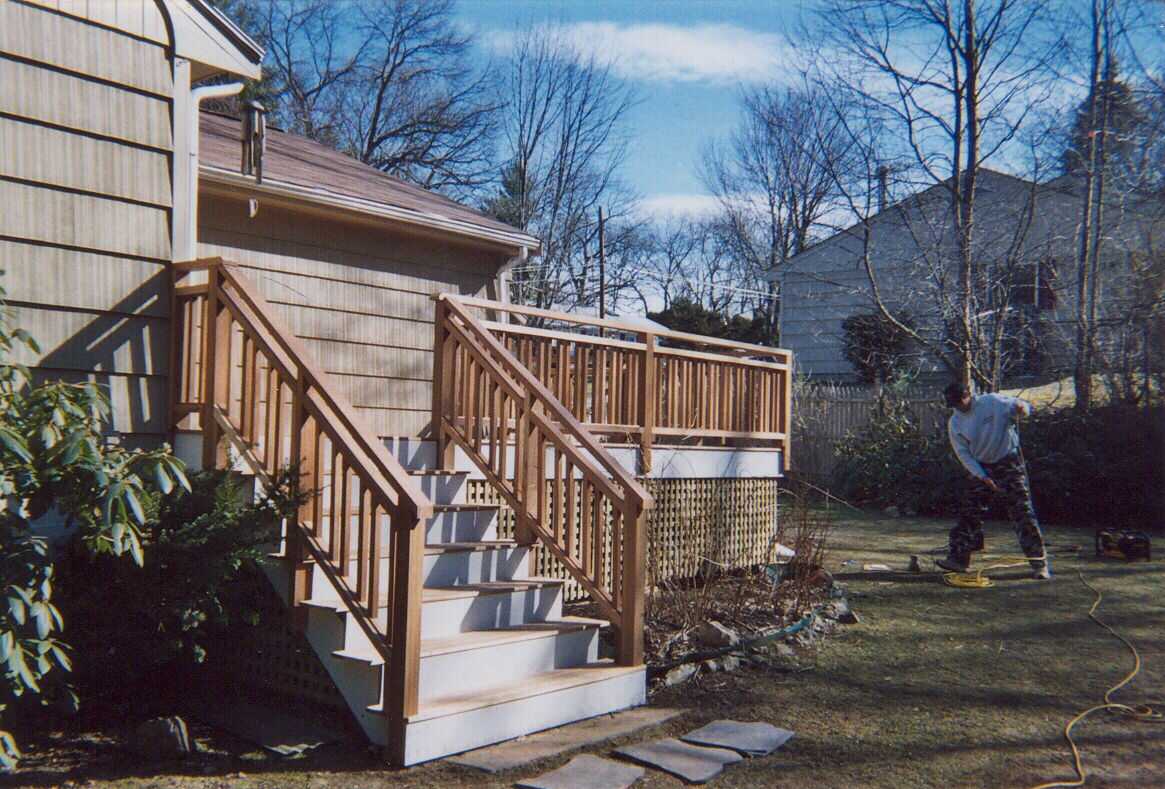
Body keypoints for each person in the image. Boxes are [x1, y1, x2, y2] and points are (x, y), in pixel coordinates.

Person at [938, 382, 1050, 580]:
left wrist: (1022, 409)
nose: (958, 407)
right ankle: (958, 559)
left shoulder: (993, 402)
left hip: (1009, 462)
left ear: (968, 395)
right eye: (953, 404)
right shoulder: (955, 423)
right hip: (981, 466)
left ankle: (1039, 563)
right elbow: (963, 455)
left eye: (960, 402)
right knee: (969, 512)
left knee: (1022, 511)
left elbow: (1022, 408)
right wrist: (982, 476)